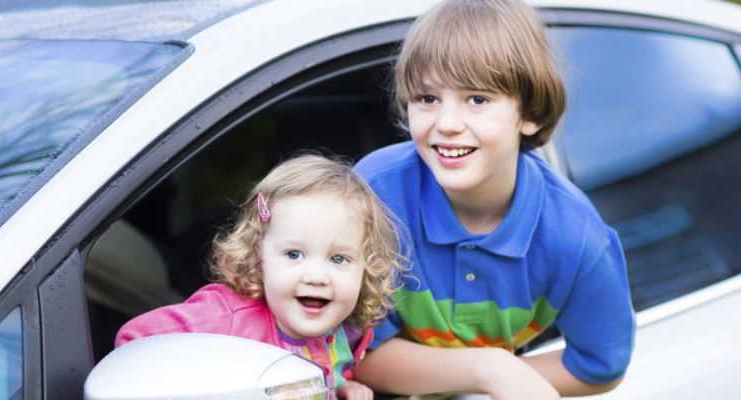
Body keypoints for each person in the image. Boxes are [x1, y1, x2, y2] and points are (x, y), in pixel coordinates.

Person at [352, 0, 635, 399]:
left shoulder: (577, 238)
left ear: (530, 115)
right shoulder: (373, 196)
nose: (447, 124)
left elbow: (599, 368)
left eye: (478, 100)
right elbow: (351, 351)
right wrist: (488, 369)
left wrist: (496, 376)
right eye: (427, 99)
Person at [116, 154, 406, 400]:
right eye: (293, 254)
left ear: (365, 269)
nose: (317, 276)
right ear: (258, 257)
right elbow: (134, 349)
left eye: (338, 259)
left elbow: (323, 373)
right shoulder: (224, 320)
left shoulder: (345, 330)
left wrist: (342, 386)